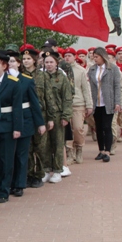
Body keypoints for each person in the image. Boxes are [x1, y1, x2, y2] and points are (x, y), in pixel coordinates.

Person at [0, 51, 23, 203]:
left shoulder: (14, 83)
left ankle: (4, 190)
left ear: (4, 66)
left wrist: (17, 128)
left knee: (6, 159)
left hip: (8, 124)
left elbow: (17, 107)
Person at [20, 45, 52, 187]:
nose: (26, 61)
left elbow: (48, 97)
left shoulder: (42, 76)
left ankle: (38, 174)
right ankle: (28, 174)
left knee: (40, 146)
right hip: (26, 116)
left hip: (41, 115)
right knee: (28, 147)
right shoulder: (20, 76)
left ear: (34, 60)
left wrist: (50, 118)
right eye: (24, 59)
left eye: (28, 59)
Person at [41, 50, 72, 181]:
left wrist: (66, 116)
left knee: (58, 143)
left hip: (58, 114)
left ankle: (58, 170)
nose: (48, 65)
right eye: (46, 62)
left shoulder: (62, 77)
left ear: (56, 63)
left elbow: (67, 98)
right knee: (45, 143)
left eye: (51, 62)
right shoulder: (41, 76)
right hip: (44, 114)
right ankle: (47, 169)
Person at [88, 48, 122, 161]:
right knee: (98, 127)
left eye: (97, 57)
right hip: (96, 102)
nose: (95, 59)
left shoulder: (112, 68)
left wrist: (118, 102)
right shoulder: (92, 69)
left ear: (103, 56)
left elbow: (117, 86)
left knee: (107, 126)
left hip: (108, 102)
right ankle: (101, 150)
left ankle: (108, 151)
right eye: (94, 57)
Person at [61, 48, 91, 164]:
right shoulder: (61, 70)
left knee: (78, 128)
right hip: (65, 104)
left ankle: (79, 148)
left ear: (74, 57)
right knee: (67, 130)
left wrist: (89, 105)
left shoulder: (81, 70)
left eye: (69, 55)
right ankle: (69, 152)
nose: (67, 58)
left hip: (78, 103)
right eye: (65, 55)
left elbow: (86, 88)